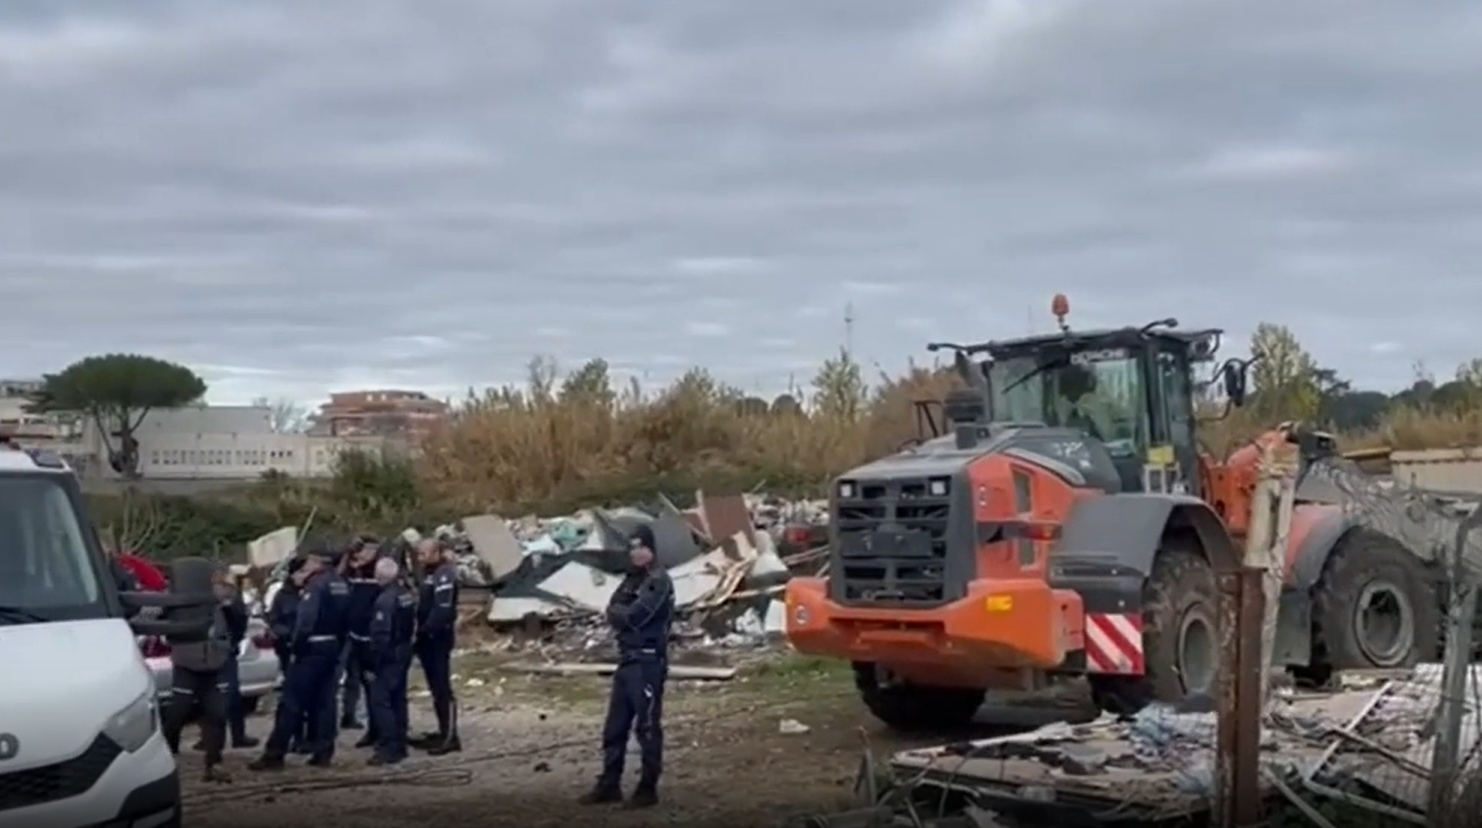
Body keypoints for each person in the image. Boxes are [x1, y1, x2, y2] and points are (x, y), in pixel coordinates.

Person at [579, 525, 675, 809]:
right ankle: (610, 784)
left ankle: (647, 788)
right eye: (631, 548)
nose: (635, 553)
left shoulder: (659, 581)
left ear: (651, 549)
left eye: (640, 547)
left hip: (647, 660)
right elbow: (613, 608)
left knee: (646, 727)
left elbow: (635, 616)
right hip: (627, 658)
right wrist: (619, 614)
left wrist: (620, 614)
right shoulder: (632, 580)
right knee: (614, 727)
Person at [248, 545, 350, 771]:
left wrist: (297, 644)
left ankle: (275, 754)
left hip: (310, 649)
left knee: (291, 703)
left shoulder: (316, 586)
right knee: (326, 702)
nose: (309, 566)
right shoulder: (342, 584)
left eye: (313, 561)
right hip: (333, 647)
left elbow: (306, 620)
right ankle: (324, 752)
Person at [160, 570, 235, 783]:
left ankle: (214, 763)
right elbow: (148, 617)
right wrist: (165, 600)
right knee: (177, 713)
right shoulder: (178, 604)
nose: (219, 590)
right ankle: (167, 755)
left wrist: (227, 647)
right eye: (215, 586)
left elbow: (239, 624)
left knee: (218, 714)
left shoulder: (225, 607)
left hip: (215, 665)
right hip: (186, 664)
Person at [196, 567, 259, 751]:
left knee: (222, 695)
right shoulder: (227, 595)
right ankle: (224, 736)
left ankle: (222, 737)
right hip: (217, 649)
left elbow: (240, 620)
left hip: (218, 649)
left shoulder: (223, 597)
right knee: (220, 695)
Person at [363, 557, 416, 765]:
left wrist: (372, 662)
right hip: (403, 652)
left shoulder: (384, 600)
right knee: (398, 700)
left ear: (379, 576)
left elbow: (381, 634)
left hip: (388, 656)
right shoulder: (405, 595)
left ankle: (389, 746)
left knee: (381, 702)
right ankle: (400, 743)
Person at [410, 538, 461, 755]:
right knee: (434, 687)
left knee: (442, 687)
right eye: (419, 554)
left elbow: (443, 609)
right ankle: (442, 731)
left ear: (437, 553)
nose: (421, 559)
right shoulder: (428, 574)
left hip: (437, 637)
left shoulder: (444, 574)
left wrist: (426, 630)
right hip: (425, 638)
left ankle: (450, 737)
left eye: (424, 554)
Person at [267, 558, 311, 753]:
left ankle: (311, 737)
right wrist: (286, 635)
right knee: (292, 698)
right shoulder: (282, 595)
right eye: (301, 572)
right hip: (290, 650)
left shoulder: (313, 592)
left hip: (312, 650)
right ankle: (296, 737)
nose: (305, 576)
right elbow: (274, 621)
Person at [342, 537, 381, 739]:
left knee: (375, 685)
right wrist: (349, 556)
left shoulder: (378, 572)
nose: (361, 555)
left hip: (371, 637)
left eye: (366, 550)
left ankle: (380, 728)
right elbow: (341, 575)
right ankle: (366, 726)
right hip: (353, 634)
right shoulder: (352, 570)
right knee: (356, 680)